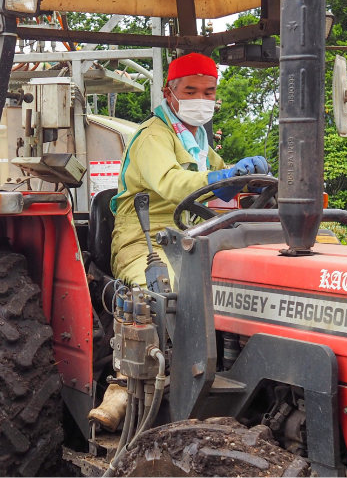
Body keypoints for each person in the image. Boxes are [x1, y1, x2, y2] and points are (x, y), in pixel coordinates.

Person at [88, 52, 270, 432]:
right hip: (143, 240)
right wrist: (224, 175)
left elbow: (220, 184)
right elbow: (173, 184)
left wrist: (248, 180)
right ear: (170, 94)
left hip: (189, 237)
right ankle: (123, 385)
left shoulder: (197, 138)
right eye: (191, 90)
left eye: (208, 91)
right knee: (170, 290)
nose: (201, 98)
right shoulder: (155, 136)